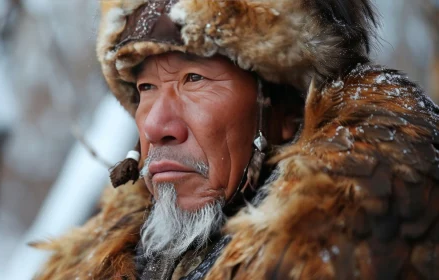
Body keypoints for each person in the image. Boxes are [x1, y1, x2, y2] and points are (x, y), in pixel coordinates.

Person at [34, 0, 439, 279]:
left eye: (193, 79)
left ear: (283, 110)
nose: (156, 125)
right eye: (145, 88)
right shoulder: (90, 264)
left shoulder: (366, 254)